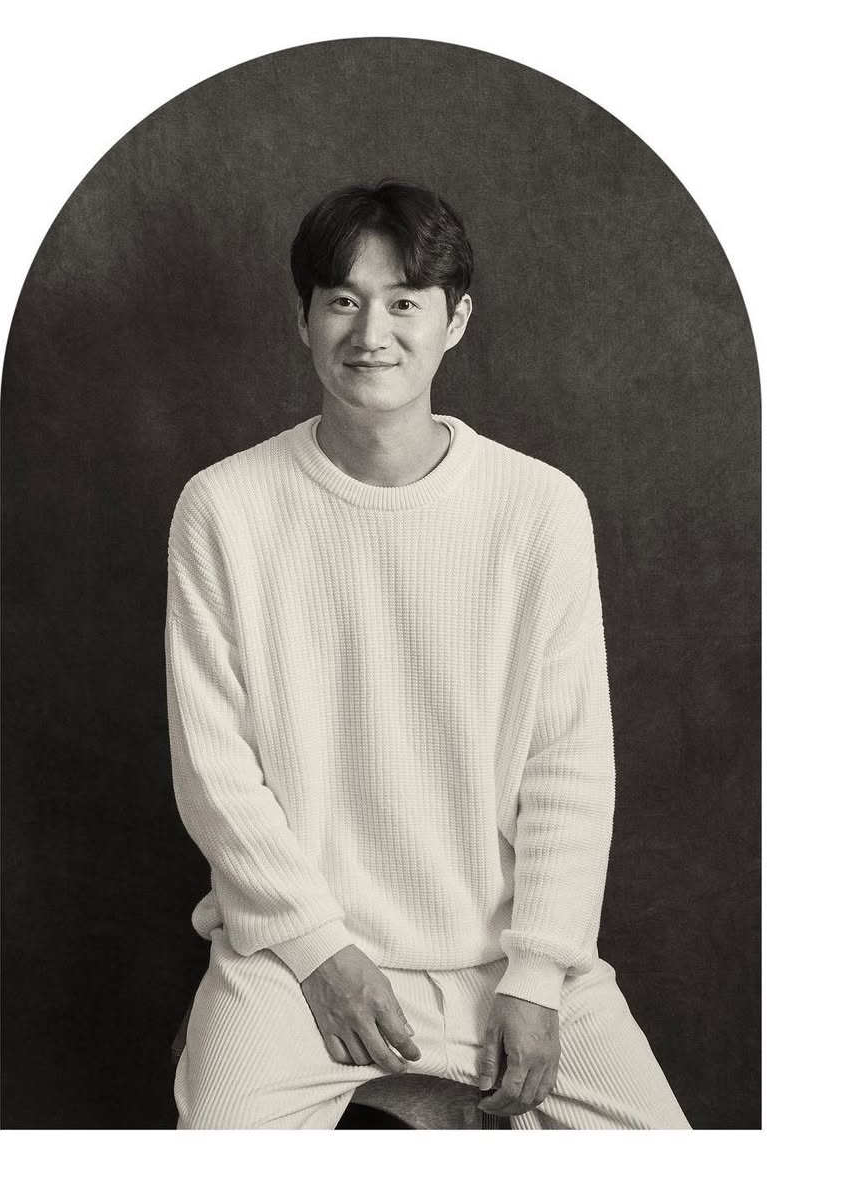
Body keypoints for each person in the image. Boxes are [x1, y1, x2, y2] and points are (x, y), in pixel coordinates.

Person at [164, 180, 690, 1129]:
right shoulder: (224, 506)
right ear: (302, 319)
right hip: (294, 957)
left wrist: (537, 975)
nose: (371, 332)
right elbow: (215, 771)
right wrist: (319, 952)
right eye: (343, 300)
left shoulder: (538, 508)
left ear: (456, 320)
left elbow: (567, 763)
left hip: (506, 960)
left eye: (404, 302)